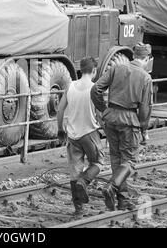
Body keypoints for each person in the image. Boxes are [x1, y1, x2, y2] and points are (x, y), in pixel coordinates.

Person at [91, 42, 153, 211]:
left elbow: (96, 89)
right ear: (146, 59)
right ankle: (111, 186)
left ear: (134, 56)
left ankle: (123, 200)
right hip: (129, 120)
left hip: (111, 118)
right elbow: (145, 108)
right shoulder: (145, 77)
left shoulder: (116, 68)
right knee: (130, 161)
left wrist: (104, 110)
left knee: (117, 160)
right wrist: (143, 129)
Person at [57, 57, 103, 216]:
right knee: (98, 162)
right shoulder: (95, 88)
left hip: (72, 136)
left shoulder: (70, 86)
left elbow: (60, 110)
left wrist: (60, 130)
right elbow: (100, 114)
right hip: (90, 133)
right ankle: (84, 181)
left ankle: (78, 210)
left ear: (80, 70)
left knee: (74, 171)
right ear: (94, 71)